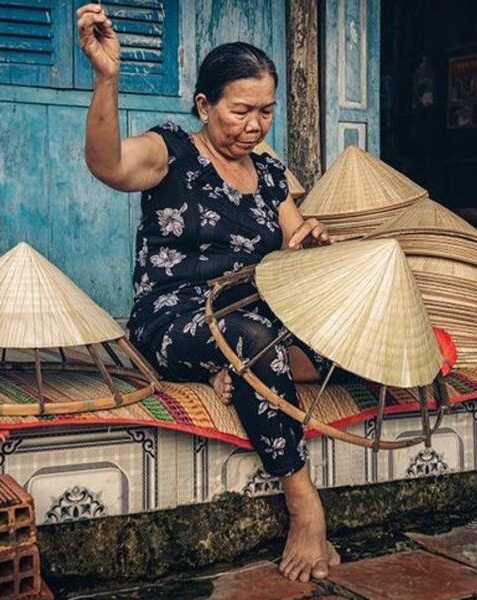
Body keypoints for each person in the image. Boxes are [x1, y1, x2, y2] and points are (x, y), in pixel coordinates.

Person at [77, 4, 339, 582]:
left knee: (338, 345)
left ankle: (231, 376)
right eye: (240, 111)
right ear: (204, 106)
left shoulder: (270, 173)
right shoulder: (170, 149)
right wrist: (106, 79)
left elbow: (293, 244)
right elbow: (107, 163)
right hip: (173, 318)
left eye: (266, 111)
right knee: (254, 342)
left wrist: (312, 241)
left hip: (252, 310)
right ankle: (305, 506)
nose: (254, 125)